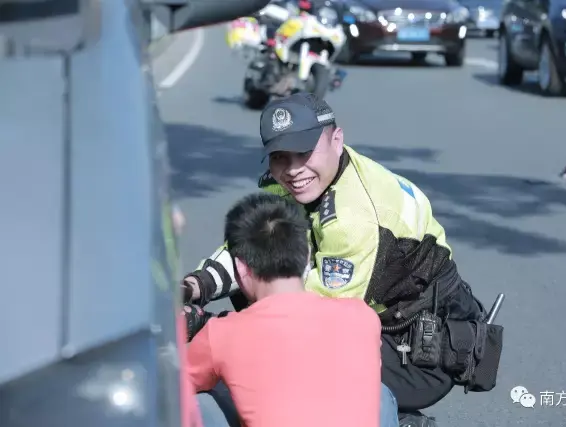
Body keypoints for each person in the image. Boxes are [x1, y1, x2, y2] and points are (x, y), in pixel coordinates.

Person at [182, 93, 488, 427]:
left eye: (304, 153)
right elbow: (252, 245)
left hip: (419, 352)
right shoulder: (301, 181)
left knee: (280, 359)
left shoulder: (352, 220)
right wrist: (195, 286)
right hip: (368, 318)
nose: (294, 170)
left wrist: (210, 328)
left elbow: (308, 325)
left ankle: (402, 421)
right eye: (280, 157)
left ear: (337, 140)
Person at [184, 192, 399, 427]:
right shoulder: (363, 317)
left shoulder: (220, 333)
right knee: (380, 394)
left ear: (240, 268)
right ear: (307, 256)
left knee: (199, 403)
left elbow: (173, 388)